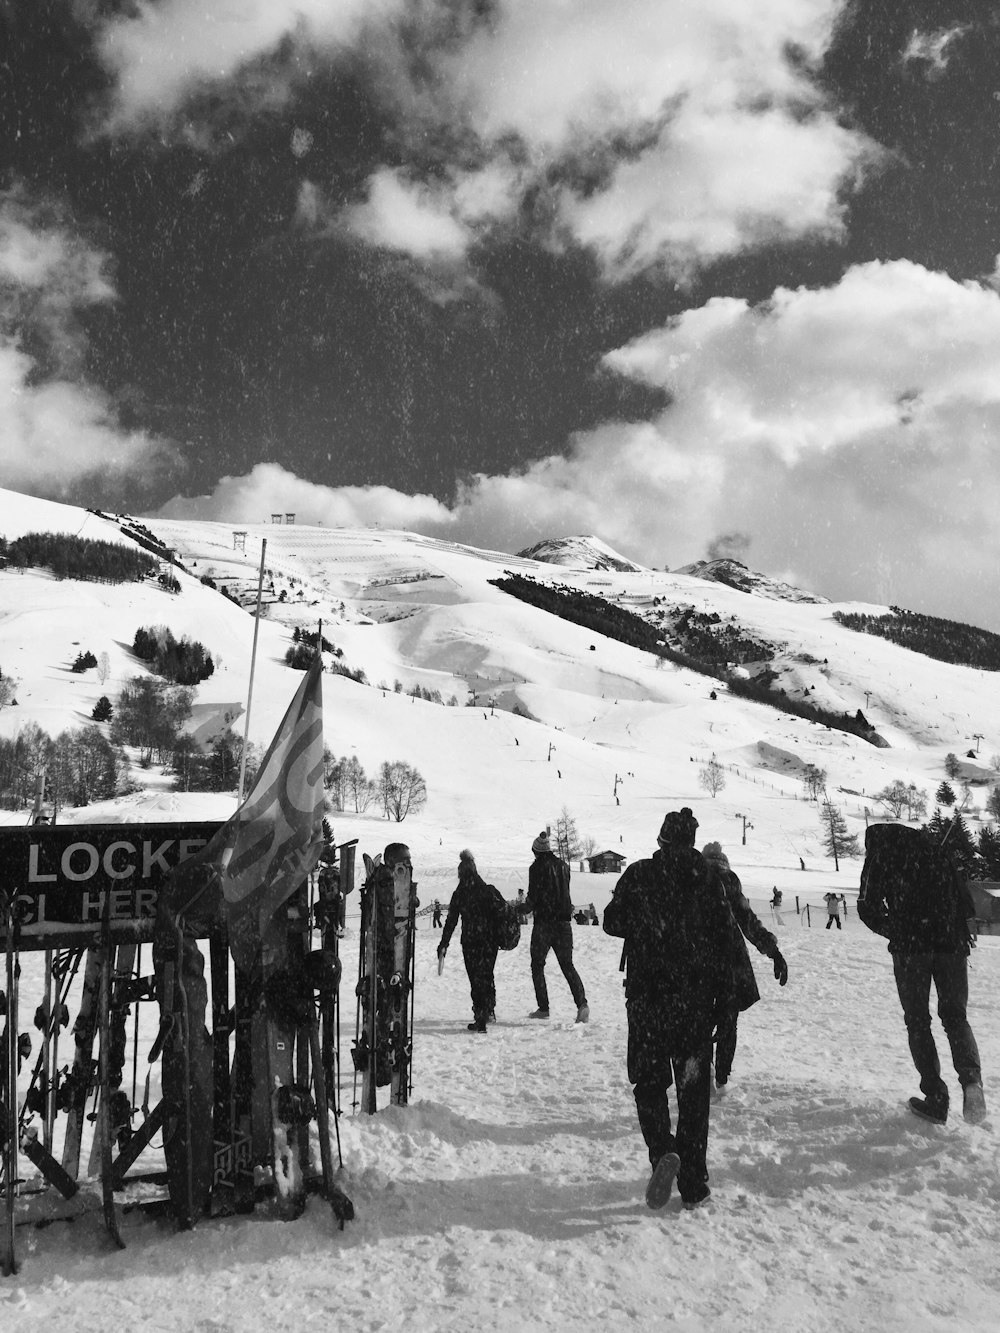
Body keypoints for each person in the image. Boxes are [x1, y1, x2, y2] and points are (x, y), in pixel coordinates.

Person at [604, 808, 735, 1210]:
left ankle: (663, 1151)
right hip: (694, 1003)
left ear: (661, 839)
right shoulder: (710, 880)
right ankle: (694, 1183)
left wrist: (647, 918)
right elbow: (726, 940)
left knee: (648, 1082)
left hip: (647, 1000)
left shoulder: (641, 874)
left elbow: (611, 921)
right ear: (693, 842)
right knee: (694, 1093)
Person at [858, 823, 986, 1125]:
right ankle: (971, 1081)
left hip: (912, 949)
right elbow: (964, 899)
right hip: (952, 944)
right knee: (955, 1017)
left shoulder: (880, 856)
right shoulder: (933, 849)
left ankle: (936, 1096)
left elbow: (867, 906)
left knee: (917, 1021)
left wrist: (896, 930)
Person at [701, 843, 788, 1090]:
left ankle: (703, 1067)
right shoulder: (728, 880)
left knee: (700, 1019)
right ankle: (722, 1075)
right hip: (730, 959)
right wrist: (773, 951)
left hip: (698, 961)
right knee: (729, 1020)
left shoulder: (692, 879)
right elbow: (748, 921)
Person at [437, 850, 505, 1033]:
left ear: (461, 873)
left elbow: (451, 921)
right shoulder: (487, 890)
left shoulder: (460, 894)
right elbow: (502, 913)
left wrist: (444, 943)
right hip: (489, 941)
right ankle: (489, 1010)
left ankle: (480, 1014)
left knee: (476, 979)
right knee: (487, 975)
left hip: (471, 941)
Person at [526, 832, 589, 1023]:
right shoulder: (563, 866)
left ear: (536, 851)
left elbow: (534, 898)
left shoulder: (536, 868)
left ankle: (543, 1008)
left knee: (537, 965)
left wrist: (519, 909)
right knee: (567, 965)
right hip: (563, 923)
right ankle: (582, 1005)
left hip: (544, 924)